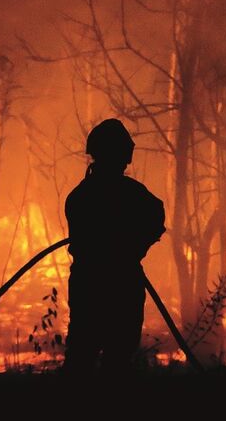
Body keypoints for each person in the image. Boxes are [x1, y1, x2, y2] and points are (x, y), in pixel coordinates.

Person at [63, 118, 165, 375]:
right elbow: (155, 219)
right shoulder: (133, 194)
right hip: (117, 283)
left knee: (85, 357)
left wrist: (135, 247)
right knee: (111, 359)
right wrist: (135, 247)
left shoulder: (80, 195)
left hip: (93, 284)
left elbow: (154, 219)